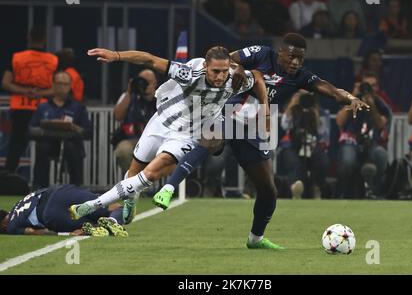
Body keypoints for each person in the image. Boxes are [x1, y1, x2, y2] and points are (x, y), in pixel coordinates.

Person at [152, 33, 370, 249]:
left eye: (300, 59)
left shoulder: (301, 76)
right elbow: (228, 58)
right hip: (228, 111)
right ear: (280, 52)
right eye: (291, 56)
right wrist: (236, 68)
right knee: (212, 138)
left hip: (253, 129)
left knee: (268, 190)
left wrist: (351, 98)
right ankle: (168, 189)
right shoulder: (262, 54)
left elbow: (329, 89)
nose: (295, 62)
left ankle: (255, 239)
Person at [69, 45, 268, 228]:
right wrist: (117, 55)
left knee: (151, 173)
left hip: (187, 135)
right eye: (216, 71)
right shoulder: (189, 74)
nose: (220, 76)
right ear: (206, 66)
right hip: (161, 121)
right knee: (133, 173)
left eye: (224, 71)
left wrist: (265, 106)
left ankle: (92, 205)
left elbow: (258, 76)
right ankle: (129, 203)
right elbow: (149, 60)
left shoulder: (235, 78)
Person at [1, 26, 57, 173]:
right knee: (43, 145)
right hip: (43, 108)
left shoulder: (17, 57)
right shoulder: (53, 60)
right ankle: (41, 183)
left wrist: (24, 90)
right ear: (45, 40)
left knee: (16, 144)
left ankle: (8, 176)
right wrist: (41, 93)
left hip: (20, 106)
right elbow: (57, 89)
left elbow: (6, 82)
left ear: (29, 38)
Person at [29, 71, 92, 188]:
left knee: (72, 147)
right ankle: (40, 188)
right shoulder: (43, 107)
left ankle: (75, 187)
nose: (61, 87)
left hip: (71, 144)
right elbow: (31, 130)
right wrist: (47, 125)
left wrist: (74, 127)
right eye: (58, 83)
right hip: (48, 144)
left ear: (69, 86)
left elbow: (88, 133)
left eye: (65, 84)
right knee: (42, 147)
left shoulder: (78, 107)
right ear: (53, 84)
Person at [336, 74, 391, 198]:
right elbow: (340, 121)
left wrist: (371, 105)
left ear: (378, 88)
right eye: (366, 86)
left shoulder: (381, 105)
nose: (369, 89)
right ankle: (343, 193)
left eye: (373, 86)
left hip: (372, 143)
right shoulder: (350, 100)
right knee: (348, 159)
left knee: (381, 154)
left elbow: (381, 125)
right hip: (351, 142)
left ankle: (375, 193)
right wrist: (353, 98)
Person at [0, 184, 127, 237]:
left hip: (51, 214)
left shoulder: (11, 226)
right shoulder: (19, 203)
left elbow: (33, 231)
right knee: (115, 207)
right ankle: (113, 221)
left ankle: (104, 227)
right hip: (60, 192)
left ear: (2, 226)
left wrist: (58, 233)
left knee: (88, 229)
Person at [113, 69, 157, 175]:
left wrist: (153, 95)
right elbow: (117, 116)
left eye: (148, 82)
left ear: (155, 83)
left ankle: (172, 187)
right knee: (123, 150)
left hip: (155, 141)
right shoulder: (128, 96)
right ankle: (134, 186)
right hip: (132, 139)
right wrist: (129, 92)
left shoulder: (160, 96)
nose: (144, 84)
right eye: (142, 81)